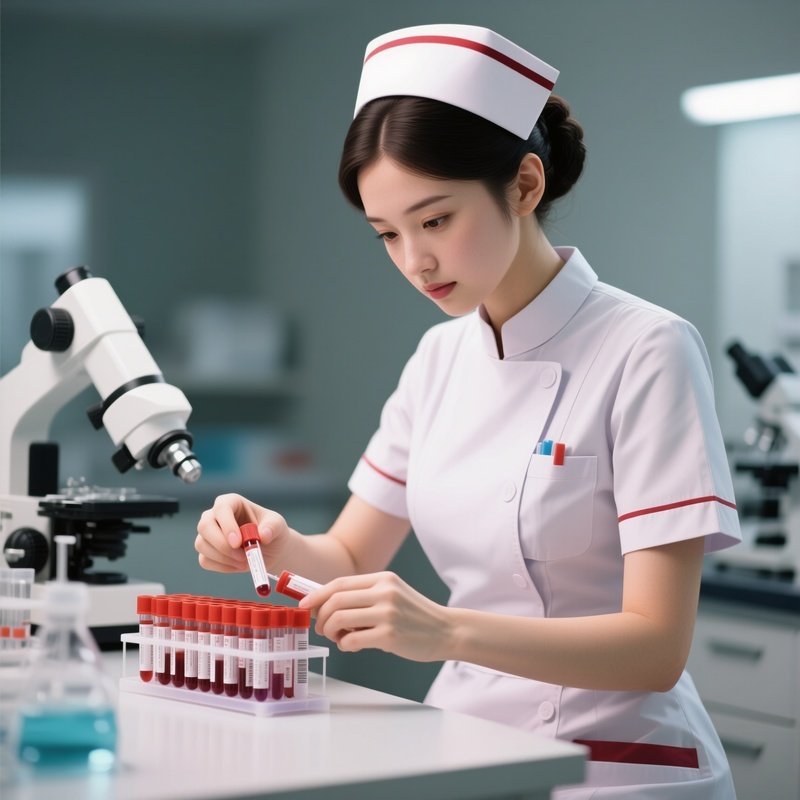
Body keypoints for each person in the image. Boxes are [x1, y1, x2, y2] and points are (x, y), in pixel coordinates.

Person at [195, 23, 741, 799]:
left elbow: (656, 647)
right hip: (465, 744)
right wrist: (275, 543)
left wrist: (444, 631)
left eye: (436, 220)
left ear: (523, 185)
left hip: (618, 767)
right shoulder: (439, 358)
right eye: (387, 233)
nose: (415, 261)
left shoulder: (647, 348)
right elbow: (351, 558)